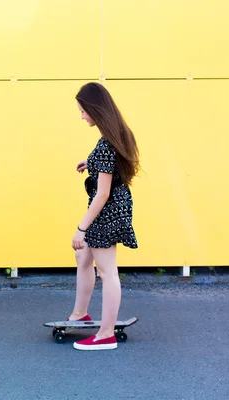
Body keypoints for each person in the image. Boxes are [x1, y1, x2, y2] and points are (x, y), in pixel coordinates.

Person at [68, 82, 140, 350]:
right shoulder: (114, 134)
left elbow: (101, 194)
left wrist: (81, 228)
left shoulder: (107, 143)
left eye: (83, 110)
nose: (81, 115)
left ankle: (106, 334)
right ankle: (80, 313)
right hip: (113, 207)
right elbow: (111, 164)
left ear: (94, 109)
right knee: (82, 255)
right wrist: (91, 163)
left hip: (106, 210)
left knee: (107, 272)